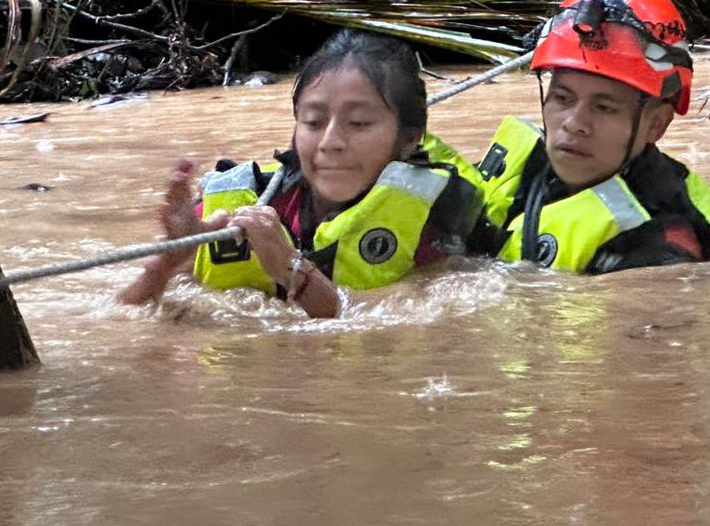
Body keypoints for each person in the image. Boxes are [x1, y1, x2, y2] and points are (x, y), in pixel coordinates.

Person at [119, 30, 485, 317]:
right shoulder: (236, 208)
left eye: (357, 123)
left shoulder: (431, 221)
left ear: (408, 139)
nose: (330, 141)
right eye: (313, 121)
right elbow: (123, 320)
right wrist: (167, 265)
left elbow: (382, 324)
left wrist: (290, 268)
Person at [473, 0, 710, 273]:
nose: (574, 123)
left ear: (656, 125)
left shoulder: (662, 243)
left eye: (604, 108)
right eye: (563, 98)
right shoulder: (525, 167)